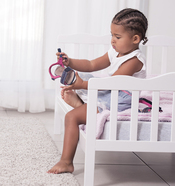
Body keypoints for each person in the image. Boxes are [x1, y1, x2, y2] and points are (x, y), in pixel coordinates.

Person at [47, 8, 148, 174]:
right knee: (85, 74)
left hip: (121, 99)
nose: (112, 41)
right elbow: (91, 64)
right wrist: (70, 61)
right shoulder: (116, 52)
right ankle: (83, 103)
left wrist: (81, 85)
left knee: (71, 117)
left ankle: (66, 162)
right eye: (112, 35)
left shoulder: (135, 60)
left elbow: (110, 83)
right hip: (110, 91)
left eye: (117, 37)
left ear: (135, 39)